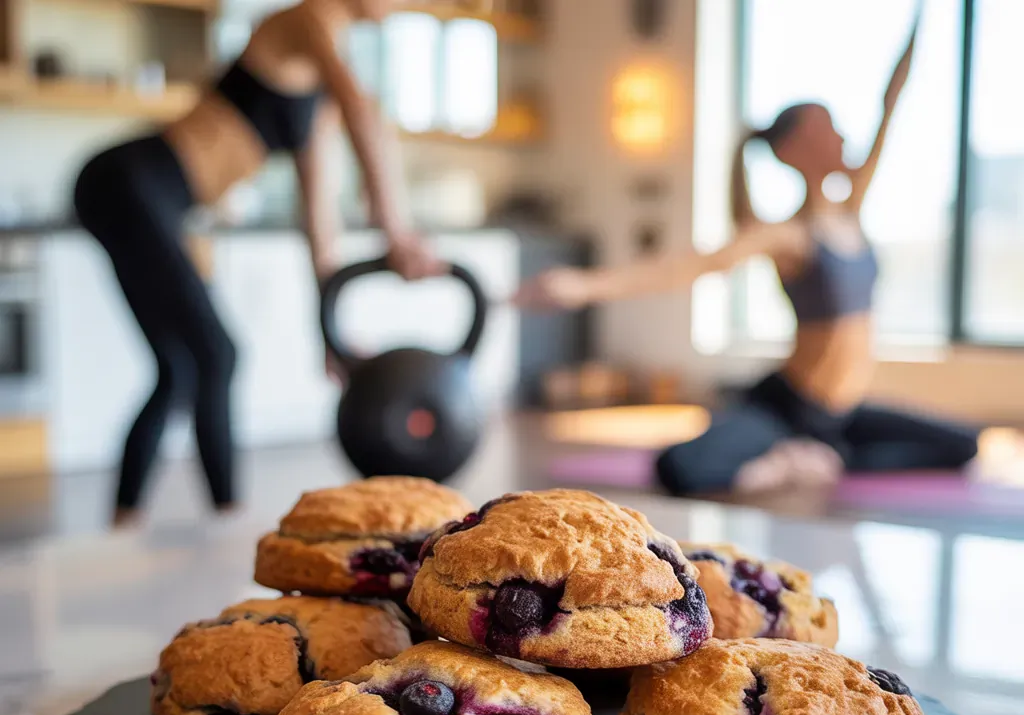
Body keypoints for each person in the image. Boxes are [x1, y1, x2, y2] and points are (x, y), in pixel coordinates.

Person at [516, 15, 979, 496]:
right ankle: (784, 463)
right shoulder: (786, 235)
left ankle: (826, 458)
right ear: (797, 148)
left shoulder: (850, 211)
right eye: (829, 128)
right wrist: (584, 285)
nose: (843, 137)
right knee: (682, 468)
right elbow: (693, 265)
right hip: (788, 405)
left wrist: (920, 29)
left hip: (841, 414)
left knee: (964, 445)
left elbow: (890, 108)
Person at [74, 0, 440, 527]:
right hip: (129, 180)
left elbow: (317, 217)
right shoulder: (306, 19)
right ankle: (228, 516)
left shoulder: (321, 97)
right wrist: (397, 230)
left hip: (156, 204)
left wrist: (329, 329)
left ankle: (123, 522)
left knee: (180, 368)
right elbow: (365, 113)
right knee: (217, 355)